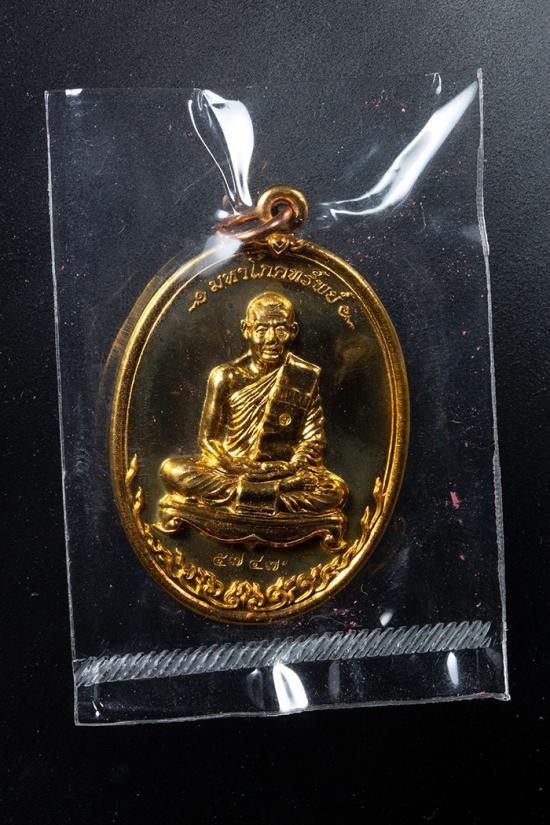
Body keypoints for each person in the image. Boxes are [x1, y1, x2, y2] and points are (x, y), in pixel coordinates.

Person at [158, 292, 348, 534]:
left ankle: (246, 497)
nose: (271, 339)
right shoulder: (226, 376)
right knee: (173, 471)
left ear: (293, 331)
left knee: (334, 490)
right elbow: (208, 440)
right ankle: (273, 496)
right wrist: (235, 466)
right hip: (233, 469)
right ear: (246, 330)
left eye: (281, 329)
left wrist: (291, 468)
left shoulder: (303, 377)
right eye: (261, 329)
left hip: (282, 472)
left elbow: (313, 440)